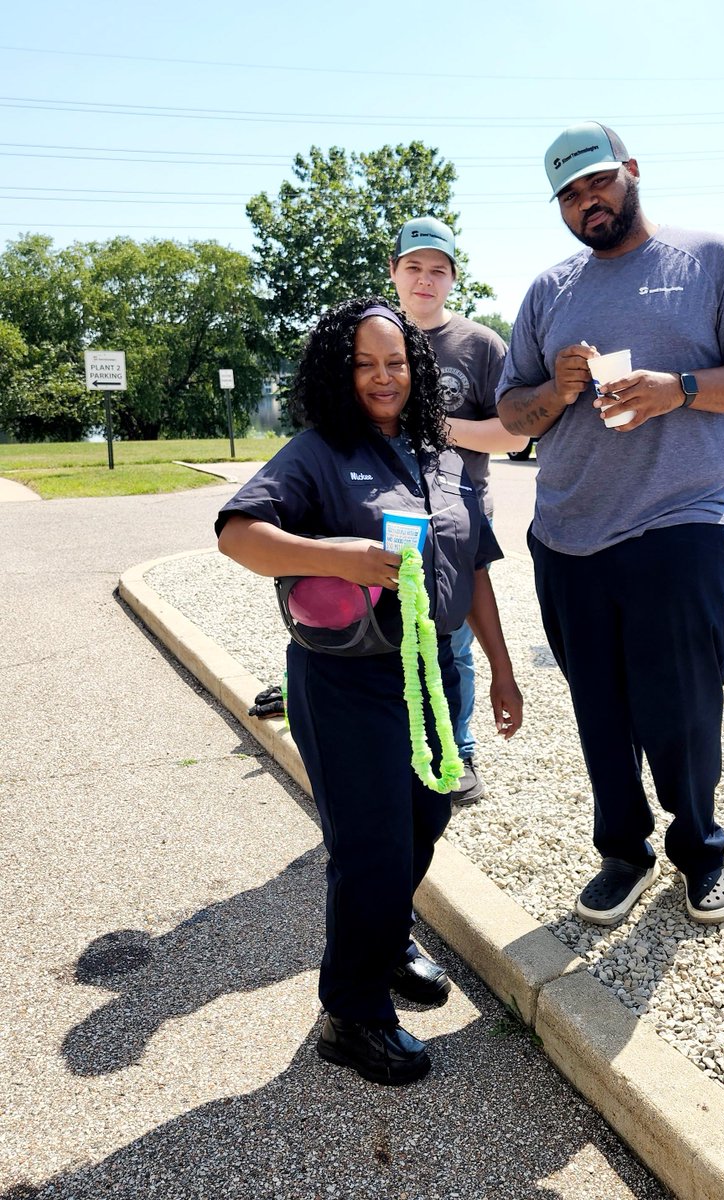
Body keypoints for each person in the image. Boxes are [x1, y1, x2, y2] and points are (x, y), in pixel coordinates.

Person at [216, 296, 522, 1085]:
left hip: (432, 673)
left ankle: (382, 946)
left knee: (425, 816)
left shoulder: (441, 453)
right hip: (349, 680)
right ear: (338, 372)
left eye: (395, 362)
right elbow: (237, 533)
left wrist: (501, 665)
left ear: (416, 369)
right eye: (364, 363)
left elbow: (475, 565)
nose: (382, 377)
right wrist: (336, 556)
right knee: (371, 847)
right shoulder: (317, 453)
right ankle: (349, 1015)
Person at [496, 122, 724, 927]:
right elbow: (514, 416)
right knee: (600, 711)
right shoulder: (548, 291)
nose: (585, 201)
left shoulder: (710, 259)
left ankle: (700, 851)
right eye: (567, 193)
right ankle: (623, 853)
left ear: (630, 171)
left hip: (678, 526)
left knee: (685, 708)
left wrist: (680, 389)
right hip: (567, 536)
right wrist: (554, 395)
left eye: (596, 182)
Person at [390, 216, 529, 806]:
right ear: (394, 272)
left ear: (453, 278)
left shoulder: (481, 344)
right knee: (389, 631)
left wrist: (437, 427)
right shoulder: (373, 336)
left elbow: (515, 436)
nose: (426, 280)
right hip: (387, 512)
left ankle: (460, 748)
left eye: (438, 270)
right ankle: (400, 744)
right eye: (414, 267)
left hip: (462, 514)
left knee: (455, 637)